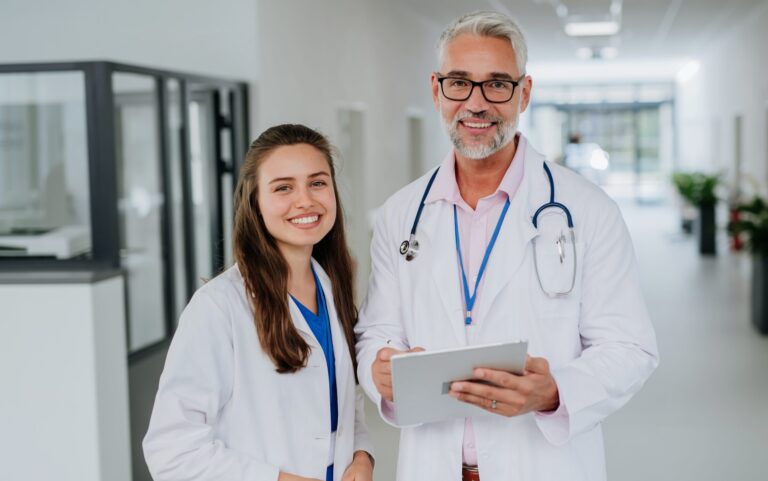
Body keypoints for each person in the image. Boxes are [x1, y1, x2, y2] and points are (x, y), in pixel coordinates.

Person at [355, 11, 658, 481]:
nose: (476, 103)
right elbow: (376, 333)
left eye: (497, 84)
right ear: (437, 90)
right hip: (434, 465)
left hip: (543, 464)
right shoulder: (401, 214)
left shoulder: (588, 211)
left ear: (525, 93)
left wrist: (556, 391)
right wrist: (380, 373)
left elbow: (630, 347)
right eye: (459, 83)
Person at [144, 124, 374, 481]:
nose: (306, 200)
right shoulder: (218, 307)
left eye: (318, 183)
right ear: (255, 202)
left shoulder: (333, 288)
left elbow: (343, 400)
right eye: (284, 187)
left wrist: (362, 456)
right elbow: (171, 450)